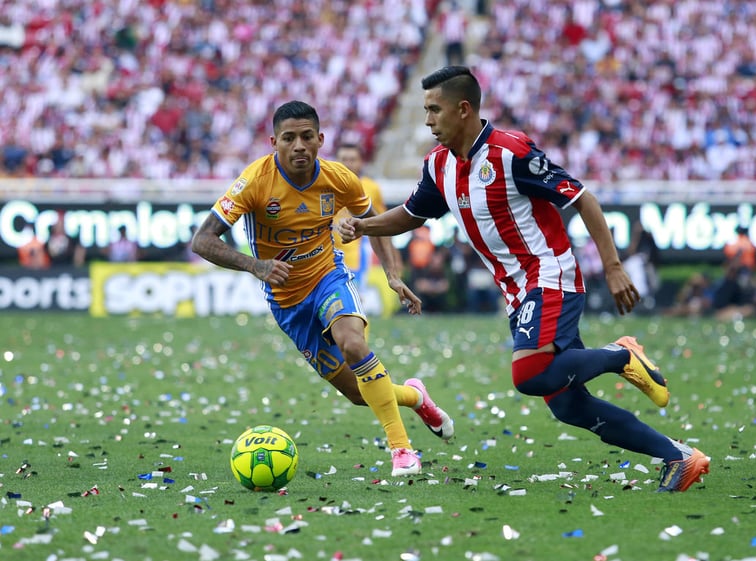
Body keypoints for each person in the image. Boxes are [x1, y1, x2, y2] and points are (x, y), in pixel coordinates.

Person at [339, 66, 709, 492]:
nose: (427, 121)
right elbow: (410, 214)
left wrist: (613, 266)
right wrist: (364, 227)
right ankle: (680, 457)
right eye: (424, 111)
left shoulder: (510, 152)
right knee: (570, 407)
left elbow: (582, 197)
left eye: (434, 110)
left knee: (529, 373)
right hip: (518, 293)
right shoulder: (438, 165)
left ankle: (620, 356)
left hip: (550, 273)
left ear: (463, 109)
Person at [191, 100, 454, 477]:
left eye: (306, 137)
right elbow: (202, 240)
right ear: (273, 142)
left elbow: (372, 223)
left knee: (353, 344)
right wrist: (256, 265)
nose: (299, 145)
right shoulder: (254, 181)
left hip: (328, 276)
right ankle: (415, 397)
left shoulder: (341, 179)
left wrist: (394, 276)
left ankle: (402, 451)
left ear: (320, 140)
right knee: (357, 393)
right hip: (287, 303)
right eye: (289, 138)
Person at [332, 143, 397, 316]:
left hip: (356, 257)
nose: (347, 164)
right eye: (343, 159)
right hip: (327, 256)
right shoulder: (325, 185)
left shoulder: (371, 188)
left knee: (353, 305)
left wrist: (393, 261)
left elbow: (382, 224)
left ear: (361, 163)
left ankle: (357, 341)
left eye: (352, 160)